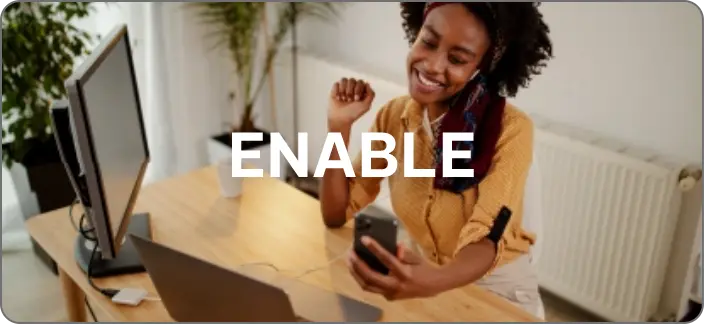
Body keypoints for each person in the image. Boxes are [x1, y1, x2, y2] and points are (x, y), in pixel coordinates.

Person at [319, 2, 553, 319]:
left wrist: (432, 282)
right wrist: (338, 127)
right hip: (427, 277)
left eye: (457, 59)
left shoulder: (510, 130)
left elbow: (487, 236)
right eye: (428, 42)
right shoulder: (394, 117)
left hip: (498, 290)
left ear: (481, 68)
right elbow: (336, 213)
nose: (431, 64)